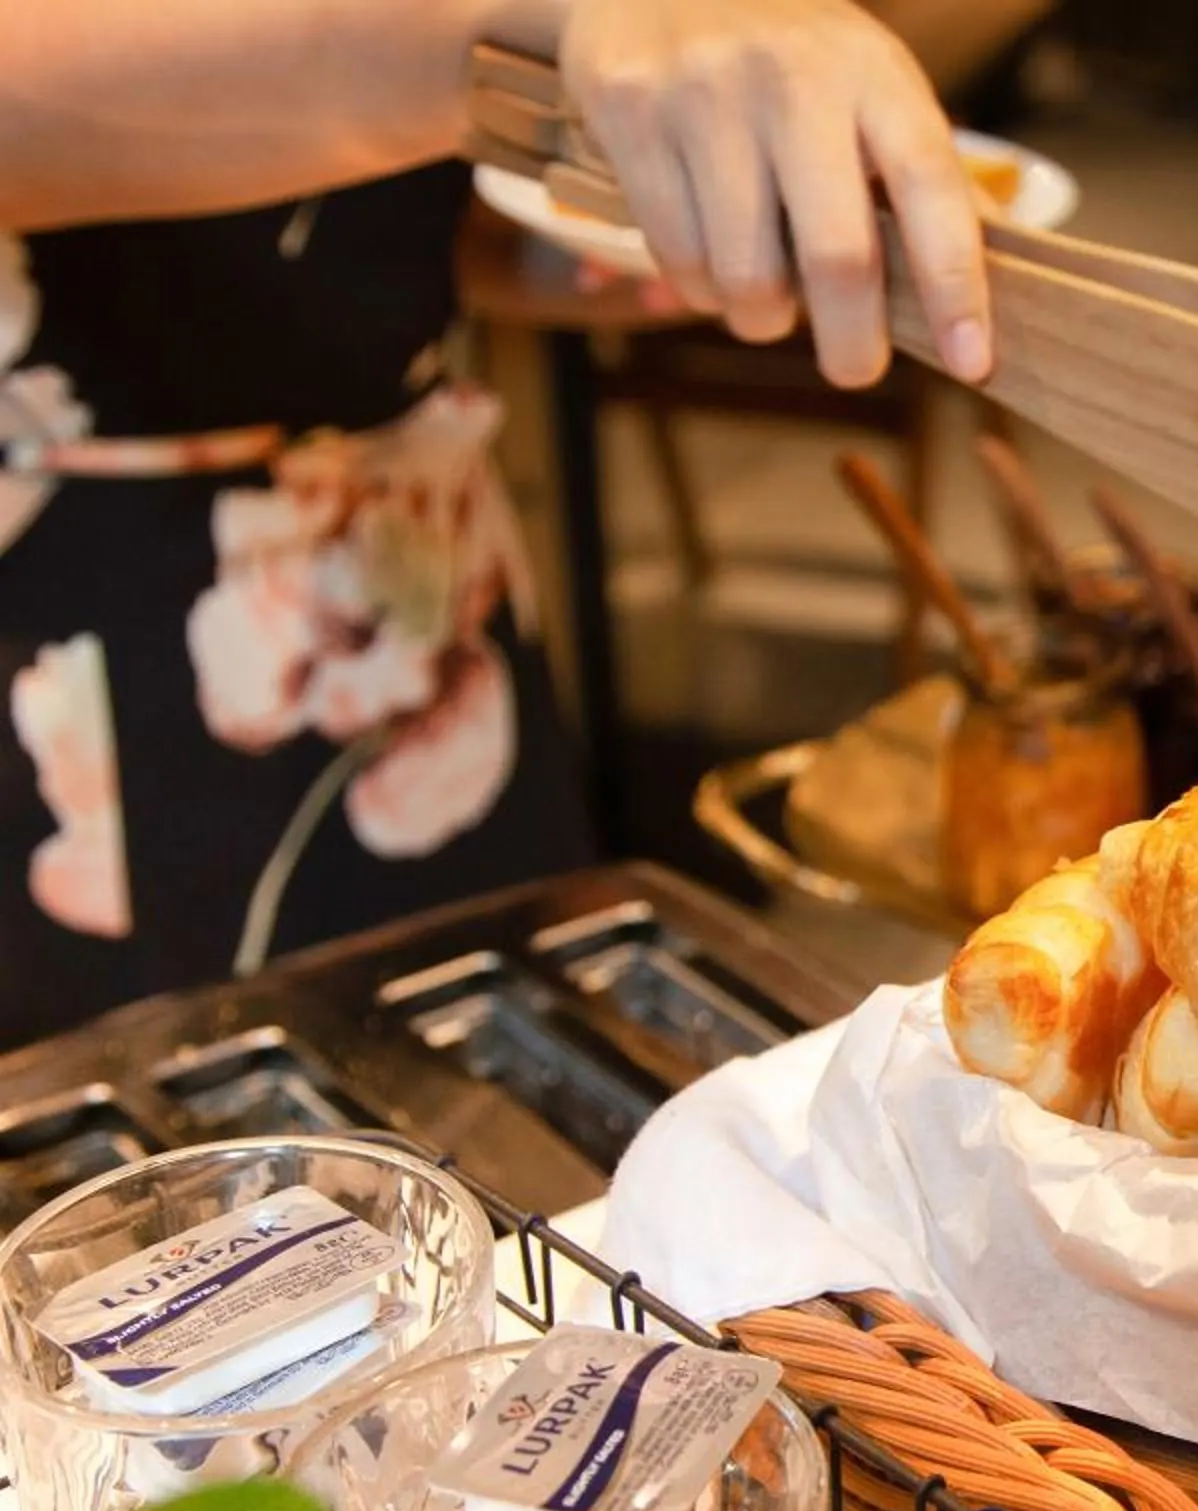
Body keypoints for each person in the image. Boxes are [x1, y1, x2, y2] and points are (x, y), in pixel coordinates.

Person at [0, 0, 994, 1045]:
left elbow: (359, 237)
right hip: (73, 639)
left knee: (491, 1130)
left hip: (417, 604)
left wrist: (601, 236)